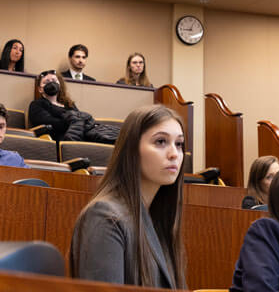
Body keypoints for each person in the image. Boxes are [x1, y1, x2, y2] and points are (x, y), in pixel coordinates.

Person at [69, 104, 187, 287]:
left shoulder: (159, 216)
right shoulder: (104, 215)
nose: (174, 154)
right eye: (161, 142)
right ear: (131, 149)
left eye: (178, 144)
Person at [28, 70, 119, 145]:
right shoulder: (37, 104)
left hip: (84, 137)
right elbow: (49, 124)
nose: (51, 83)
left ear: (60, 85)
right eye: (47, 82)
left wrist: (75, 120)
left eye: (54, 81)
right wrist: (72, 120)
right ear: (40, 89)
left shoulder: (69, 104)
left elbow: (81, 121)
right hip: (60, 140)